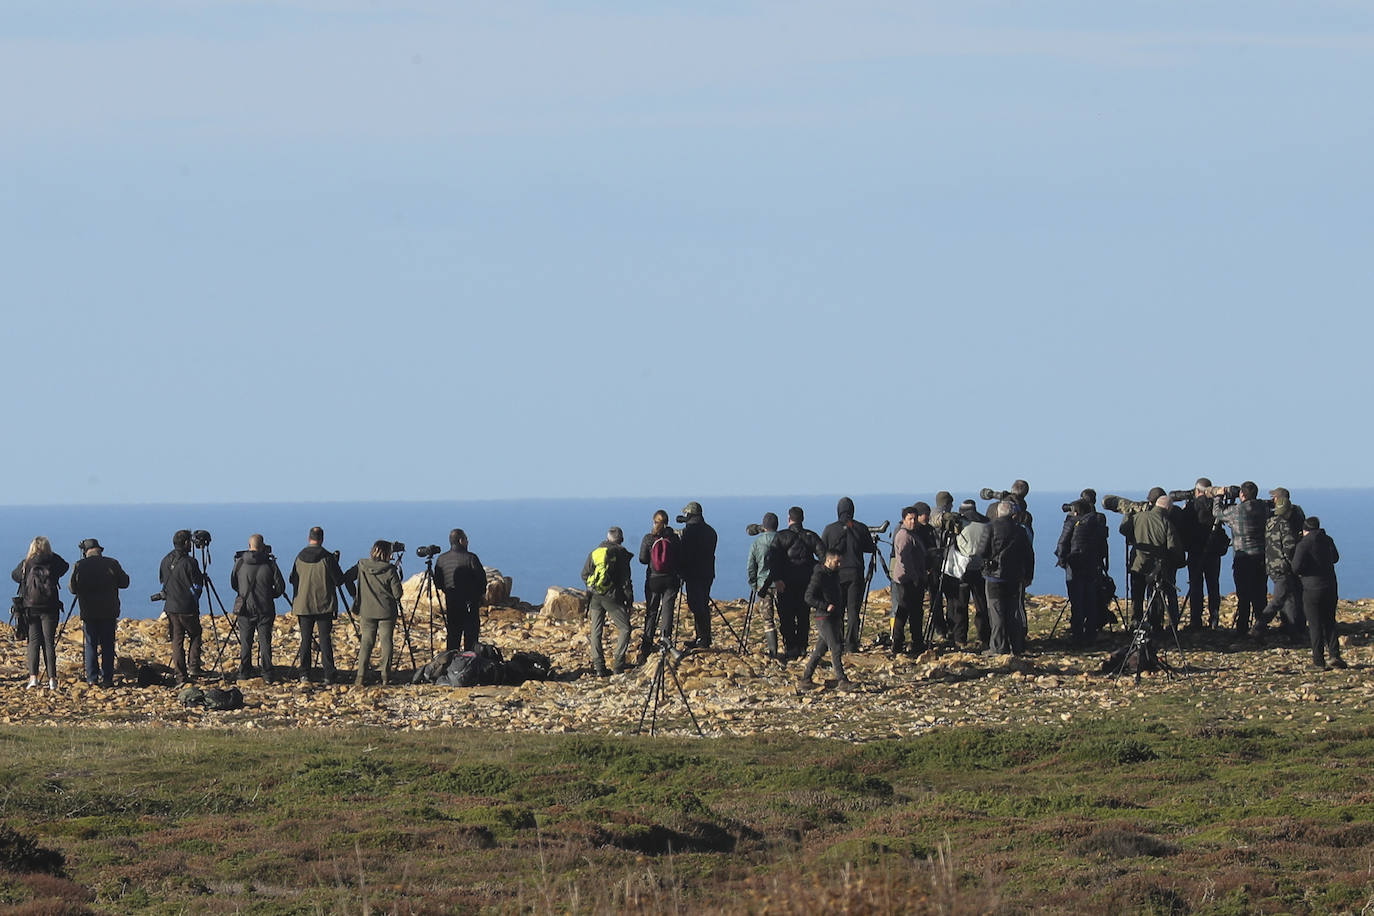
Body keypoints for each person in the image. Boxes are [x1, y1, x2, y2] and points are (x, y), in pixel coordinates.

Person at [68, 538, 129, 688]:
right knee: (108, 645)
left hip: (89, 612)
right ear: (99, 550)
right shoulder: (112, 563)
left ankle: (92, 678)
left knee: (91, 644)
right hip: (109, 611)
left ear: (85, 552)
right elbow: (125, 582)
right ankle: (107, 678)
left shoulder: (80, 565)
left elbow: (72, 589)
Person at [289, 526, 347, 684]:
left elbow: (292, 579)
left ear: (309, 538)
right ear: (322, 539)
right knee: (325, 639)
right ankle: (329, 673)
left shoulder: (299, 557)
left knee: (305, 639)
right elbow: (339, 580)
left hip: (303, 605)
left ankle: (304, 674)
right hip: (324, 604)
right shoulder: (327, 557)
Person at [12, 537, 70, 690]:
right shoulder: (53, 561)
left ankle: (33, 678)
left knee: (33, 642)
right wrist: (50, 554)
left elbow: (15, 576)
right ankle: (52, 679)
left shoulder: (26, 563)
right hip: (50, 607)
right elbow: (66, 566)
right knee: (48, 643)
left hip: (30, 608)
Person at [765, 507, 823, 660]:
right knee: (804, 615)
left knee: (786, 616)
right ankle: (802, 647)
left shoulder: (781, 536)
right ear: (802, 519)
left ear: (789, 519)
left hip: (786, 583)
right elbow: (824, 557)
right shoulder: (811, 536)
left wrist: (777, 579)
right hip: (806, 582)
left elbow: (772, 558)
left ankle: (791, 647)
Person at [345, 540, 405, 685]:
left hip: (366, 610)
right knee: (386, 642)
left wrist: (355, 595)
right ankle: (385, 675)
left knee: (366, 642)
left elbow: (346, 578)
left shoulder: (361, 565)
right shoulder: (390, 570)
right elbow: (398, 594)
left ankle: (360, 675)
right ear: (387, 553)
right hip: (386, 611)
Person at [821, 497, 876, 652]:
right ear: (852, 510)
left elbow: (822, 551)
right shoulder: (860, 527)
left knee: (837, 610)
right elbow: (870, 548)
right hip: (856, 573)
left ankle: (837, 643)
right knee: (853, 611)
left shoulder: (830, 529)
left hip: (836, 575)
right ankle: (851, 644)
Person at [1122, 493, 1185, 629]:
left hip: (1137, 563)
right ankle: (1155, 624)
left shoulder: (1138, 517)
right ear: (1168, 508)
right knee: (1156, 596)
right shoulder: (1167, 524)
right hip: (1157, 567)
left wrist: (1128, 515)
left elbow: (1124, 530)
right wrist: (1178, 562)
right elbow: (1173, 547)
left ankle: (1135, 623)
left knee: (1137, 595)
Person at [979, 501, 1034, 656]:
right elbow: (1029, 555)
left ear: (998, 512)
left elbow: (982, 551)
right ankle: (1017, 646)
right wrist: (1028, 575)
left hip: (994, 577)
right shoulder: (1020, 531)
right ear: (1013, 514)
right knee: (1013, 612)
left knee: (996, 612)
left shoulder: (989, 527)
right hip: (1014, 577)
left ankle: (998, 647)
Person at [1215, 481, 1271, 632]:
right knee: (1260, 594)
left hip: (1243, 558)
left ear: (1242, 495)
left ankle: (1242, 627)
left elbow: (1217, 513)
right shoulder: (1264, 509)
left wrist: (1219, 496)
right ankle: (1261, 627)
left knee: (1244, 595)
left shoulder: (1237, 511)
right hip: (1261, 557)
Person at [230, 534, 285, 682]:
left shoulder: (240, 563)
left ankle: (244, 670)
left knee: (246, 641)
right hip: (265, 608)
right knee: (265, 640)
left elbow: (233, 583)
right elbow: (281, 587)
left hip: (245, 608)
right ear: (262, 546)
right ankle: (267, 672)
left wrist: (243, 591)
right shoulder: (269, 563)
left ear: (249, 546)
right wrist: (269, 594)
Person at [1291, 517, 1344, 670]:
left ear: (1305, 530)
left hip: (1311, 588)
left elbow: (1296, 568)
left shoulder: (1303, 544)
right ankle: (1335, 655)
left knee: (1314, 625)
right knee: (1329, 622)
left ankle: (1319, 661)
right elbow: (1335, 558)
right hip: (1330, 586)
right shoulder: (1328, 540)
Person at [581, 526, 634, 676]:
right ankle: (618, 663)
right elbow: (626, 581)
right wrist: (629, 601)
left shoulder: (596, 553)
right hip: (613, 598)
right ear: (621, 540)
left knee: (596, 631)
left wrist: (594, 588)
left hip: (595, 597)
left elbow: (584, 574)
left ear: (607, 538)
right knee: (625, 628)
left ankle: (599, 667)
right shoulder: (621, 554)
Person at [1256, 487, 1307, 639]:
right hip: (1285, 564)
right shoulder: (1295, 514)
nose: (1272, 500)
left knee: (1286, 596)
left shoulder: (1273, 520)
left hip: (1274, 563)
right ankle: (1291, 627)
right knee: (1287, 596)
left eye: (1274, 498)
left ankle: (1290, 626)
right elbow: (1290, 546)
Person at [797, 548, 852, 691]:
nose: (839, 565)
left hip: (833, 617)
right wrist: (825, 606)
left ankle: (806, 679)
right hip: (823, 617)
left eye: (840, 562)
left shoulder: (834, 574)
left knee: (820, 650)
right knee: (836, 647)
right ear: (828, 560)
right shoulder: (819, 575)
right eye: (837, 562)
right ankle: (842, 680)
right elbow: (808, 597)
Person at [1055, 500, 1108, 645]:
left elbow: (1062, 544)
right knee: (1090, 598)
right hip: (1091, 565)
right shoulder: (1097, 523)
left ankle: (1077, 634)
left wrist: (1063, 560)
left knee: (1077, 601)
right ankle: (1091, 632)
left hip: (1075, 564)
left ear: (1076, 512)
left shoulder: (1072, 523)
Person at [159, 529, 205, 684]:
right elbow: (197, 585)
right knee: (196, 634)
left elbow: (162, 581)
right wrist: (195, 596)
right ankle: (194, 666)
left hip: (170, 607)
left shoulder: (165, 560)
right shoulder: (190, 562)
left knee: (177, 641)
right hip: (187, 607)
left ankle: (180, 675)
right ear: (186, 543)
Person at [636, 510, 681, 661]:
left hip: (653, 579)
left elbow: (642, 559)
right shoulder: (674, 538)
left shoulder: (649, 538)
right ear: (667, 522)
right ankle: (665, 640)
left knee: (652, 611)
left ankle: (647, 644)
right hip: (671, 579)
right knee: (667, 610)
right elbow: (680, 557)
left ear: (654, 522)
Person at [1181, 478, 1224, 629]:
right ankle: (1214, 618)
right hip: (1213, 552)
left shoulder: (1191, 507)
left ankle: (1196, 620)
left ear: (1197, 491)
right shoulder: (1216, 506)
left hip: (1195, 552)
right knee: (1214, 586)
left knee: (1195, 586)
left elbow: (1183, 529)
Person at [434, 529, 485, 652]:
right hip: (470, 604)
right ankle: (469, 664)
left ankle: (451, 663)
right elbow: (482, 580)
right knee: (471, 638)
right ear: (461, 541)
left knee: (453, 636)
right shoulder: (470, 558)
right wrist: (479, 596)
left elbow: (438, 582)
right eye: (466, 539)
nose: (468, 541)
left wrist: (448, 591)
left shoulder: (441, 559)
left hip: (451, 602)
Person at [949, 500, 991, 647]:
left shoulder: (959, 523)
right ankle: (983, 637)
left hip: (962, 569)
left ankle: (960, 638)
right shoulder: (986, 523)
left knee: (960, 605)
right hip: (981, 568)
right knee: (982, 605)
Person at [677, 502, 717, 649]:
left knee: (696, 606)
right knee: (703, 604)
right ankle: (702, 637)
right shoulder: (711, 531)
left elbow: (684, 554)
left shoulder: (690, 532)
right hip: (707, 573)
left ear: (690, 514)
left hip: (693, 574)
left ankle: (703, 638)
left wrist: (681, 571)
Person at [889, 506, 927, 655]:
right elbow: (904, 560)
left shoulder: (912, 534)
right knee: (906, 612)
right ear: (904, 519)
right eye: (910, 519)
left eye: (914, 518)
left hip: (910, 578)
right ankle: (901, 642)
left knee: (911, 612)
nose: (913, 521)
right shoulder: (904, 535)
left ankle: (912, 641)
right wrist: (915, 577)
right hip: (907, 580)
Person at [745, 512, 780, 658]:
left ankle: (773, 651)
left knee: (768, 620)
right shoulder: (782, 539)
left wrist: (754, 585)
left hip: (763, 585)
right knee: (785, 617)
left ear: (764, 526)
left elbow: (751, 567)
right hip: (781, 584)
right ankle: (791, 647)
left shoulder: (757, 543)